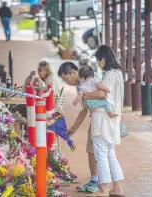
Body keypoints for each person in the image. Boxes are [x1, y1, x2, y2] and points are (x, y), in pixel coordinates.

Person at [85, 45, 125, 197]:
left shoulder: (109, 74)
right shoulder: (119, 74)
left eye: (98, 60)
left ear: (103, 59)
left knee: (101, 154)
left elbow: (102, 93)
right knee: (110, 154)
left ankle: (103, 189)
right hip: (113, 119)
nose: (97, 63)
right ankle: (118, 188)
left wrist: (85, 96)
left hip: (103, 119)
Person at [57, 61, 100, 193]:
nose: (67, 83)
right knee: (92, 150)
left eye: (67, 79)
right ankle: (96, 180)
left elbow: (102, 95)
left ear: (74, 72)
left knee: (94, 151)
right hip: (96, 119)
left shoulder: (90, 80)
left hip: (101, 119)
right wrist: (73, 128)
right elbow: (84, 109)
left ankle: (97, 182)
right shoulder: (79, 87)